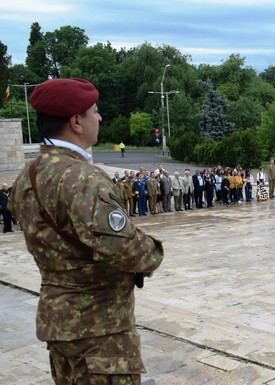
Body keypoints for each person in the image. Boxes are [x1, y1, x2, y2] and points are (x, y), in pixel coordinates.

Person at [9, 78, 164, 385]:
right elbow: (129, 251)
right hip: (99, 332)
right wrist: (153, 248)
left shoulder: (28, 176)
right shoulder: (83, 179)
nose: (100, 117)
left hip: (59, 324)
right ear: (76, 121)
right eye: (94, 111)